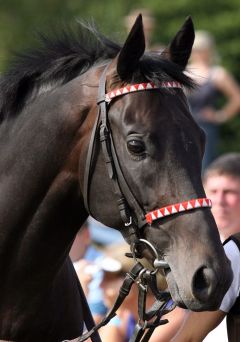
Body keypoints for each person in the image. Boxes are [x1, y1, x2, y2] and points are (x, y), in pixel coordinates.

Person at [172, 153, 240, 342]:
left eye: (229, 192)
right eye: (213, 191)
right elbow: (176, 315)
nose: (219, 200)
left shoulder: (234, 252)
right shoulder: (185, 250)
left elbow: (188, 337)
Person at [98, 243, 186, 342]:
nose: (100, 285)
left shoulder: (172, 316)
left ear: (134, 280)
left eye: (108, 278)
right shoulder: (127, 314)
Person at [187, 30, 240, 170]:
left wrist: (220, 116)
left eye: (201, 49)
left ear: (209, 50)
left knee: (204, 167)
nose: (198, 53)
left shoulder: (217, 73)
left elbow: (237, 98)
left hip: (205, 127)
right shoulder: (183, 73)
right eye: (196, 49)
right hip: (183, 125)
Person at [69, 220, 107, 324]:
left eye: (67, 236)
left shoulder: (102, 267)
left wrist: (80, 289)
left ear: (86, 235)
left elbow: (94, 320)